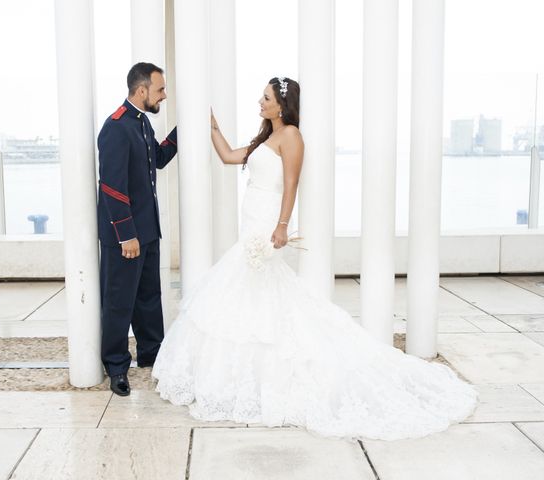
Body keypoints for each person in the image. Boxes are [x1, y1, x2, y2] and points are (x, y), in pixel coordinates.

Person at [152, 77, 478, 440]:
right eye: (262, 97)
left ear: (282, 105)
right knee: (248, 293)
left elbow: (291, 184)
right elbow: (229, 156)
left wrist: (281, 225)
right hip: (251, 220)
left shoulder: (292, 136)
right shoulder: (265, 137)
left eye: (266, 98)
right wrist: (210, 125)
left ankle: (272, 375)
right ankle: (252, 374)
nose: (260, 102)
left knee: (255, 289)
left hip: (267, 224)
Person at [97, 62, 178, 396]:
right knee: (119, 301)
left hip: (148, 229)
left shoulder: (141, 123)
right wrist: (126, 233)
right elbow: (112, 187)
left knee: (149, 298)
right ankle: (116, 365)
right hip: (126, 234)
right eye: (159, 89)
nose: (164, 95)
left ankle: (151, 354)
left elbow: (157, 158)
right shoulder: (116, 127)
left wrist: (182, 131)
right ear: (141, 90)